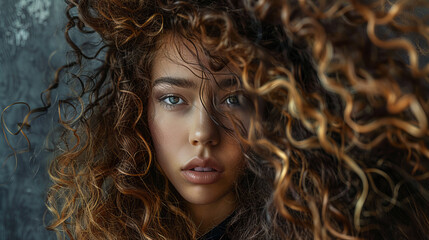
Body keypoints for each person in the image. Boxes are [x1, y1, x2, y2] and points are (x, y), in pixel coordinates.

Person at [12, 0, 429, 239]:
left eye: (234, 99)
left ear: (273, 108)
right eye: (174, 98)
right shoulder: (116, 228)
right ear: (137, 109)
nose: (202, 134)